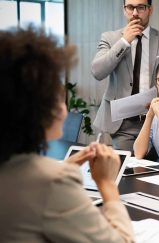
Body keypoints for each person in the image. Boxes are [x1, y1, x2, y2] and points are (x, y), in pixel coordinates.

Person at [0, 28, 134, 242]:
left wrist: (64, 168)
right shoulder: (52, 183)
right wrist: (107, 185)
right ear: (36, 108)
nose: (64, 108)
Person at [91, 0, 159, 151]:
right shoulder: (110, 38)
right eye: (130, 7)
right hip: (123, 124)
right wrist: (124, 41)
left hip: (158, 121)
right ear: (124, 10)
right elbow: (98, 72)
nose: (135, 13)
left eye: (140, 7)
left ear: (150, 10)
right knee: (128, 171)